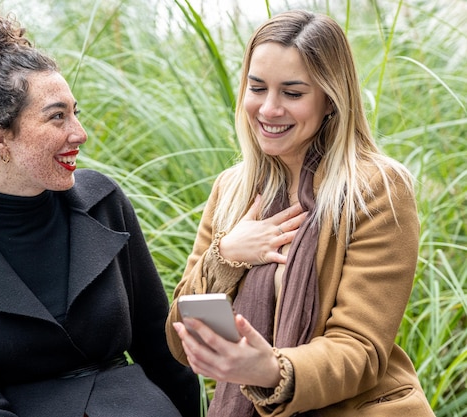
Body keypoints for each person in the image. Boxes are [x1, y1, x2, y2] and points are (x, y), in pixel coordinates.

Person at [0, 7, 200, 417]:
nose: (79, 134)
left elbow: (159, 342)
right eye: (57, 117)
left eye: (74, 112)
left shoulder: (104, 201)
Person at [165, 9, 435, 417]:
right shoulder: (232, 189)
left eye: (293, 93)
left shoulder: (376, 189)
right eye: (257, 88)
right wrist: (227, 256)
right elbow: (180, 341)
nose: (269, 109)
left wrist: (271, 370)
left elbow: (360, 350)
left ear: (331, 99)